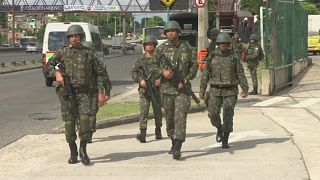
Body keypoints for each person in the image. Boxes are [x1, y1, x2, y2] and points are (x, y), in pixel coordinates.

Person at [45, 25, 107, 165]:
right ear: (68, 38)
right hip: (67, 93)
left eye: (77, 36)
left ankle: (83, 149)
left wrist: (102, 92)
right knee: (69, 123)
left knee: (85, 122)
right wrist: (56, 73)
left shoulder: (89, 53)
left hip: (86, 93)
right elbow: (47, 66)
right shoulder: (62, 52)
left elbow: (100, 73)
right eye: (72, 36)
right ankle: (73, 151)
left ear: (81, 37)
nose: (74, 39)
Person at [155, 20, 198, 160]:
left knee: (180, 118)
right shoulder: (160, 49)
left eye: (173, 31)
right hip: (166, 90)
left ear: (178, 32)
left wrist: (186, 79)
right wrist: (163, 72)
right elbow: (151, 66)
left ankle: (178, 145)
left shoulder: (187, 47)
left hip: (182, 90)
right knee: (169, 119)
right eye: (168, 31)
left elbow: (194, 66)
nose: (170, 33)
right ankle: (173, 141)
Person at [199, 32, 249, 148]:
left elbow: (240, 73)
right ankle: (219, 128)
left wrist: (245, 89)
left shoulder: (234, 57)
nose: (223, 46)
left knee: (228, 114)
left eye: (225, 44)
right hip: (214, 90)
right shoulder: (211, 56)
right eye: (220, 44)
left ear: (228, 44)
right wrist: (202, 89)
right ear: (217, 44)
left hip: (230, 90)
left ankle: (225, 138)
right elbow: (205, 74)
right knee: (213, 114)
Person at [131, 35, 162, 143]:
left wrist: (160, 80)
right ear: (144, 47)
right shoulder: (140, 59)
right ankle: (143, 132)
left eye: (151, 45)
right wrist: (140, 80)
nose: (149, 47)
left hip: (157, 89)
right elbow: (133, 72)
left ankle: (158, 129)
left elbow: (166, 70)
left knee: (157, 110)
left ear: (155, 46)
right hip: (144, 90)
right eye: (147, 45)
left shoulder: (159, 58)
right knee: (144, 111)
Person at [82, 41, 112, 143]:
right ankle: (83, 131)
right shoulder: (78, 62)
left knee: (92, 112)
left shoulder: (97, 63)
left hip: (93, 91)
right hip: (81, 92)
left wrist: (106, 92)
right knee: (82, 113)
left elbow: (104, 77)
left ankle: (89, 132)